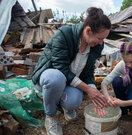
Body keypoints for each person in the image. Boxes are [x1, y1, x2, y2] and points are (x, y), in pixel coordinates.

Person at [31, 7, 110, 135]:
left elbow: (89, 70)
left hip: (69, 82)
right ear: (88, 31)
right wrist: (88, 89)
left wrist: (93, 90)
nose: (101, 43)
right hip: (50, 76)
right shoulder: (64, 34)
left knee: (74, 101)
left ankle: (64, 106)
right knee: (56, 78)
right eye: (99, 38)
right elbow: (60, 67)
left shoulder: (96, 46)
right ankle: (50, 116)